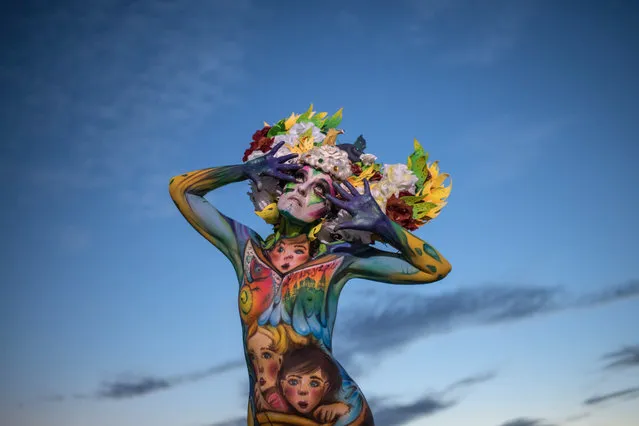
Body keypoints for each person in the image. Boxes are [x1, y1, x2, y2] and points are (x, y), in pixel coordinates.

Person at [169, 106, 452, 425]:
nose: (303, 190)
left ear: (329, 212)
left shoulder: (338, 260)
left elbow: (435, 268)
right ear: (280, 185)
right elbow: (182, 190)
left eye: (320, 191)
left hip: (338, 417)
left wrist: (384, 226)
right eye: (298, 178)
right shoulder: (245, 248)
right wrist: (248, 169)